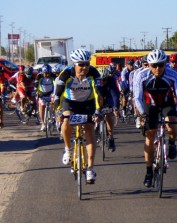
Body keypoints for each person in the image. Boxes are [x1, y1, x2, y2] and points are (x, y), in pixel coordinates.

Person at [134, 49, 177, 188]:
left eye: (161, 65)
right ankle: (149, 171)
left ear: (165, 64)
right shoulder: (141, 75)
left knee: (172, 126)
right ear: (149, 65)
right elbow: (137, 98)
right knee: (150, 136)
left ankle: (172, 143)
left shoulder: (173, 74)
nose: (158, 68)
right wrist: (142, 114)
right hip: (150, 105)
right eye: (154, 65)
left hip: (167, 103)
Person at [54, 49, 102, 184]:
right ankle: (67, 150)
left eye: (87, 64)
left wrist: (98, 111)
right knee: (66, 121)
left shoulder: (93, 73)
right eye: (81, 64)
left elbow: (99, 94)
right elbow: (57, 95)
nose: (85, 67)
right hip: (70, 103)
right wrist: (58, 112)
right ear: (74, 64)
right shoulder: (66, 74)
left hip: (88, 103)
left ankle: (90, 169)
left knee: (89, 129)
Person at [98, 68, 120, 151]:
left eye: (104, 80)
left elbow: (114, 96)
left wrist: (116, 108)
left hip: (109, 96)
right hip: (98, 96)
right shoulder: (95, 82)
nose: (102, 82)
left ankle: (111, 138)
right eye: (100, 80)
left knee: (109, 116)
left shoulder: (111, 80)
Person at [35, 65, 55, 131]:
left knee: (53, 105)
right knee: (42, 106)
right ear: (42, 72)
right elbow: (36, 86)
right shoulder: (39, 76)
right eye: (45, 73)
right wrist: (36, 93)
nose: (47, 75)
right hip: (42, 94)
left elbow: (56, 85)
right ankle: (43, 123)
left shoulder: (53, 76)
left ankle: (52, 118)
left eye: (48, 73)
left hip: (51, 93)